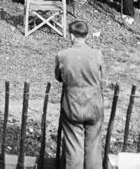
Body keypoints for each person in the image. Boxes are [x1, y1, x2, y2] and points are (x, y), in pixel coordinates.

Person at [55, 20, 104, 169]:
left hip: (72, 105)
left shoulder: (62, 55)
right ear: (87, 35)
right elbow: (102, 79)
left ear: (71, 35)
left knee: (74, 148)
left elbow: (58, 77)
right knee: (94, 147)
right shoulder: (97, 54)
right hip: (94, 105)